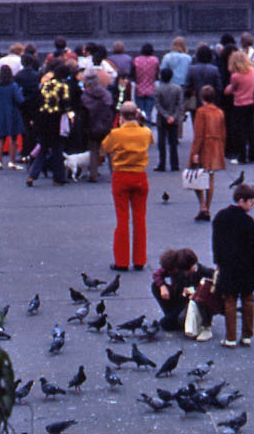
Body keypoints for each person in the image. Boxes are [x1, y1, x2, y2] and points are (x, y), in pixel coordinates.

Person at [100, 101, 154, 271]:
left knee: (122, 219)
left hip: (121, 175)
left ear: (121, 116)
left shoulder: (116, 134)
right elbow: (150, 142)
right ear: (137, 114)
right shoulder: (145, 132)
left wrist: (118, 126)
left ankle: (122, 261)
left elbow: (105, 147)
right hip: (139, 175)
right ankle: (140, 259)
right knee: (140, 219)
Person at [210, 184, 254, 347]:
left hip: (228, 266)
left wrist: (218, 262)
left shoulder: (220, 217)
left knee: (230, 302)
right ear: (242, 201)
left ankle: (230, 338)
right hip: (246, 267)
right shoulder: (248, 221)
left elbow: (216, 243)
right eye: (251, 202)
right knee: (248, 301)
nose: (253, 205)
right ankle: (247, 335)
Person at [151, 247, 214, 338]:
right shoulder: (174, 268)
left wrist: (193, 291)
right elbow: (157, 274)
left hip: (188, 302)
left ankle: (186, 321)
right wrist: (162, 286)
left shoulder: (191, 270)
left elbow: (211, 276)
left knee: (165, 324)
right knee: (155, 286)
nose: (171, 273)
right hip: (179, 298)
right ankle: (173, 317)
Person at [189, 86, 227, 221]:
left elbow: (198, 134)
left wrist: (195, 152)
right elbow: (223, 132)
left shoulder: (201, 112)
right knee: (210, 177)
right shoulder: (219, 112)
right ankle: (208, 208)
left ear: (202, 97)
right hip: (216, 145)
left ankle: (202, 206)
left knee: (196, 176)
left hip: (204, 146)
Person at [224, 50, 254, 165]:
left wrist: (227, 88)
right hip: (251, 102)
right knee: (251, 129)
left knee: (240, 131)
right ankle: (252, 155)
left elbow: (231, 90)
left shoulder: (235, 76)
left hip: (239, 104)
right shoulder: (253, 71)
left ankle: (242, 156)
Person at [81, 70, 115, 183]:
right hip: (105, 125)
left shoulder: (85, 96)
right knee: (110, 150)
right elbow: (111, 109)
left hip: (92, 126)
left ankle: (93, 175)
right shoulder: (106, 94)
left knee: (93, 151)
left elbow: (84, 113)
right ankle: (114, 173)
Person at [0, 64, 26, 169]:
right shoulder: (13, 85)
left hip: (0, 113)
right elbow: (19, 100)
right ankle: (12, 161)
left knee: (1, 138)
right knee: (13, 138)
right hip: (13, 113)